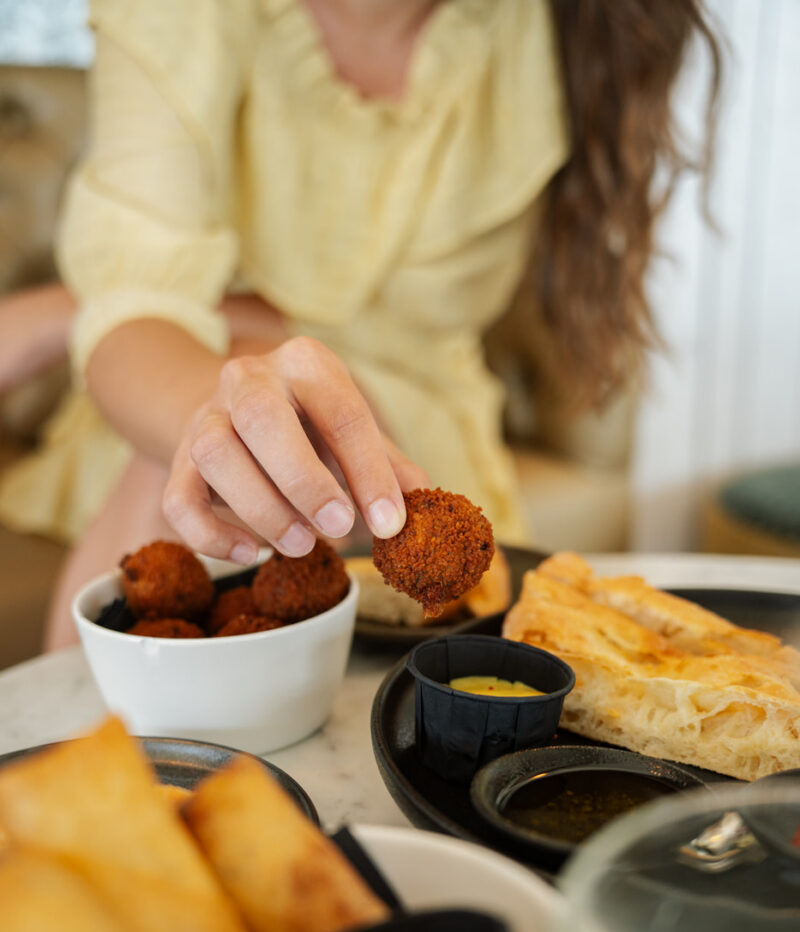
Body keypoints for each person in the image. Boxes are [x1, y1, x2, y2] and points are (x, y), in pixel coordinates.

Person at [0, 0, 720, 649]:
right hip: (175, 389)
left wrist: (78, 312)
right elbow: (137, 315)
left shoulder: (591, 24)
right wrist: (231, 415)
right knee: (244, 407)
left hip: (413, 438)